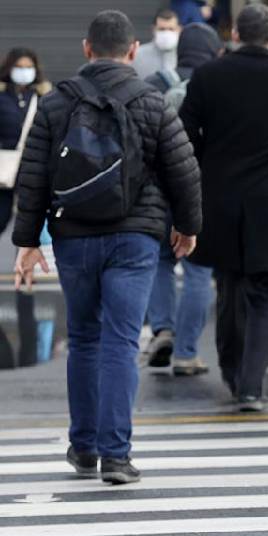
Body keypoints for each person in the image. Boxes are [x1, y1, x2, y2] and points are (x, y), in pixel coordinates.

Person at [11, 9, 201, 484]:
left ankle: (84, 447)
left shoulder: (56, 102)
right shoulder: (152, 100)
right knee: (121, 340)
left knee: (83, 339)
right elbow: (183, 171)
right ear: (134, 50)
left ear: (86, 49)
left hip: (73, 235)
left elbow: (33, 175)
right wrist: (187, 226)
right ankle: (116, 456)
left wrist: (27, 240)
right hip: (135, 236)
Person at [179, 3, 268, 411]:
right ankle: (251, 385)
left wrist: (210, 159)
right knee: (265, 296)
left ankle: (231, 371)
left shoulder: (208, 75)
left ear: (234, 34)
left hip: (221, 199)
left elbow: (185, 129)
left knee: (228, 289)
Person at [141, 22, 222, 377]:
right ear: (214, 51)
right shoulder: (217, 87)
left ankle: (163, 329)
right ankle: (187, 353)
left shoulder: (155, 84)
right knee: (197, 269)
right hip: (202, 191)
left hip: (159, 189)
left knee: (159, 260)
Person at [0, 48, 50, 234]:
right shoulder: (2, 96)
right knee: (2, 216)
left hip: (33, 166)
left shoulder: (43, 97)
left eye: (28, 67)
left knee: (30, 224)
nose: (24, 71)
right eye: (19, 67)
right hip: (5, 167)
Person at [132, 8, 181, 80]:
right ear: (153, 29)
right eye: (162, 29)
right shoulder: (137, 55)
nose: (166, 33)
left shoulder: (185, 55)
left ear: (179, 30)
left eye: (171, 29)